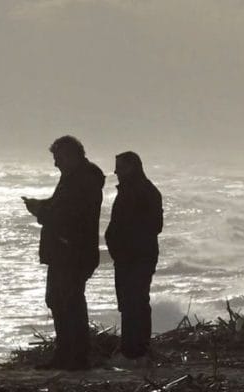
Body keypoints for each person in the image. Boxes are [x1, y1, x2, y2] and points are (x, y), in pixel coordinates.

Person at [23, 135, 105, 370]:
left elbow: (68, 216)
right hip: (65, 251)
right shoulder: (75, 178)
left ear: (70, 155)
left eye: (58, 158)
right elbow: (62, 207)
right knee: (58, 301)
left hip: (73, 252)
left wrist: (40, 211)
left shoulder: (83, 180)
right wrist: (42, 205)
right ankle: (66, 354)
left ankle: (76, 357)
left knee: (70, 303)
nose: (56, 163)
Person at [105, 151, 163, 364]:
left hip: (137, 256)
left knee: (135, 301)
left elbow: (154, 225)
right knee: (130, 301)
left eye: (119, 167)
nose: (115, 172)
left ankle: (135, 350)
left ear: (131, 167)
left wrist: (127, 242)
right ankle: (132, 348)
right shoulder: (134, 190)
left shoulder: (143, 191)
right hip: (128, 256)